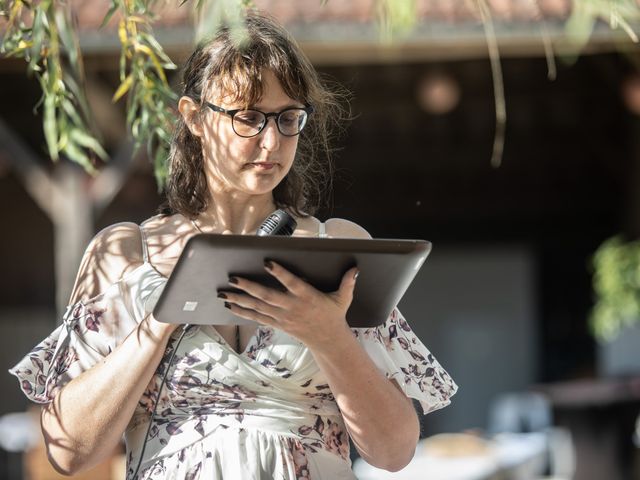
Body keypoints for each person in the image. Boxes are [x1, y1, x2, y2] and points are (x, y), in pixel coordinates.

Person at [10, 10, 457, 480]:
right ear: (195, 117)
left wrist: (331, 338)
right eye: (248, 117)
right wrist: (161, 320)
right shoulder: (124, 254)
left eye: (288, 119)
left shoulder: (338, 246)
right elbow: (68, 451)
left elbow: (395, 451)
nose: (271, 141)